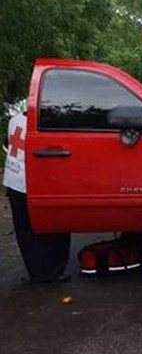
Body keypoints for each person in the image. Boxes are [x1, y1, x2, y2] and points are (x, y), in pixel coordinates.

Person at [4, 109, 71, 283]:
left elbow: (7, 144)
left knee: (25, 230)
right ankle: (53, 271)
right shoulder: (42, 127)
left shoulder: (15, 120)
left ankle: (37, 272)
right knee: (55, 228)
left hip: (13, 181)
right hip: (31, 184)